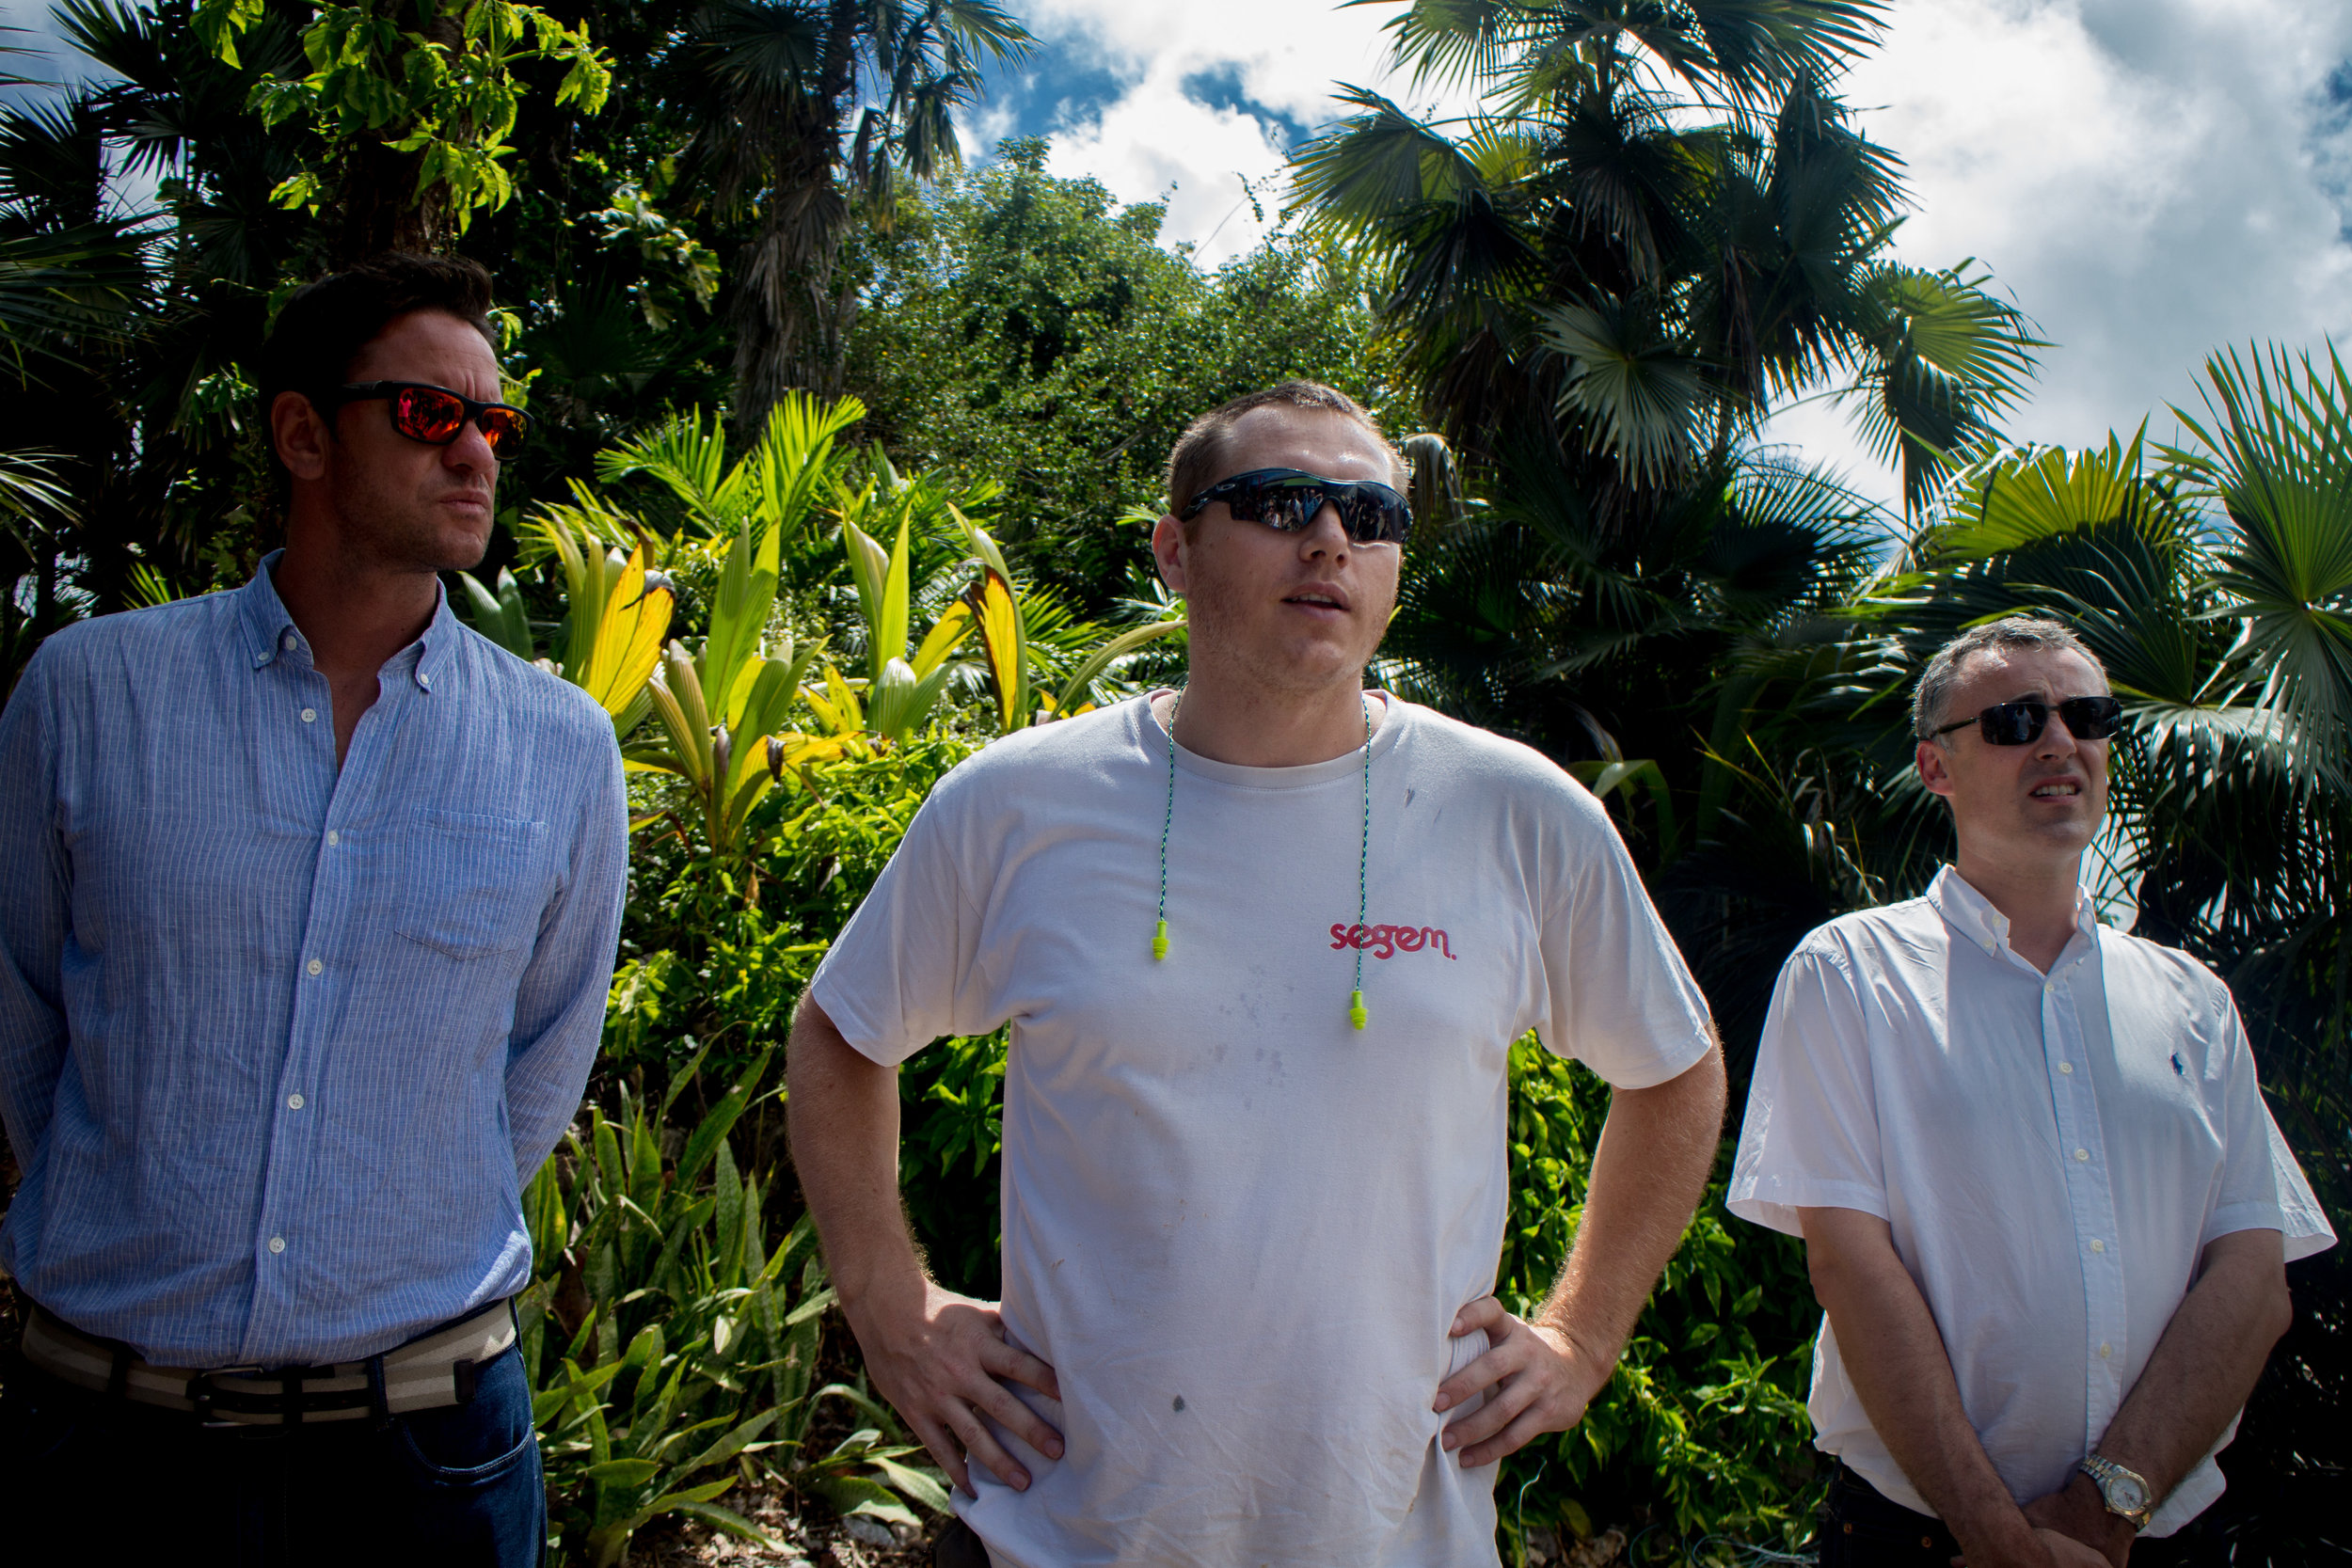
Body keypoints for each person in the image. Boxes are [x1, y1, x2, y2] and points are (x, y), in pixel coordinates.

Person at [787, 380, 1730, 1567]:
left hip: (1398, 1535)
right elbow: (840, 1031)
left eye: (1371, 513)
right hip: (1063, 1531)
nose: (1330, 536)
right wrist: (886, 1300)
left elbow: (1677, 1067)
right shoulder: (1020, 801)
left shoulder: (1515, 811)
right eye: (1282, 500)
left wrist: (1583, 1335)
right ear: (1174, 550)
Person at [0, 252, 628, 1565]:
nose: (476, 454)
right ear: (300, 432)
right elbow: (25, 1017)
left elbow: (540, 1059)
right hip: (106, 1442)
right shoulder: (87, 697)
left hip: (425, 1459)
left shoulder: (559, 746)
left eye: (493, 423)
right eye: (426, 413)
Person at [1727, 615, 2334, 1568]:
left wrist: (2105, 1505)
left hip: (2160, 1537)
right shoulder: (1850, 970)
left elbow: (2253, 1284)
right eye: (2015, 720)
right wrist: (1997, 1535)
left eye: (2086, 715)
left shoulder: (2192, 999)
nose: (2060, 741)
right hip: (1920, 1538)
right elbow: (1848, 1265)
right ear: (1936, 767)